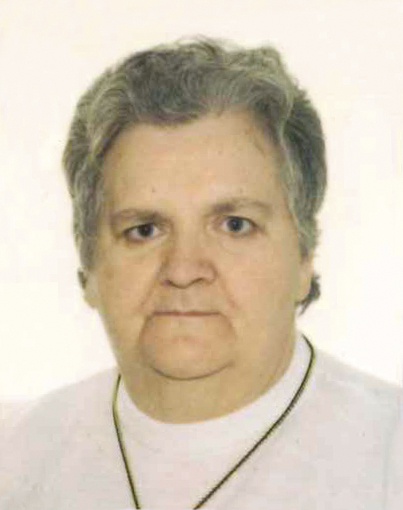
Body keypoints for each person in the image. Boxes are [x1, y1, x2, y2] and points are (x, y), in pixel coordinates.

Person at [1, 37, 401, 509]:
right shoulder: (14, 457)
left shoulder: (388, 456)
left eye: (235, 225)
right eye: (144, 230)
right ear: (89, 267)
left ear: (303, 258)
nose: (184, 270)